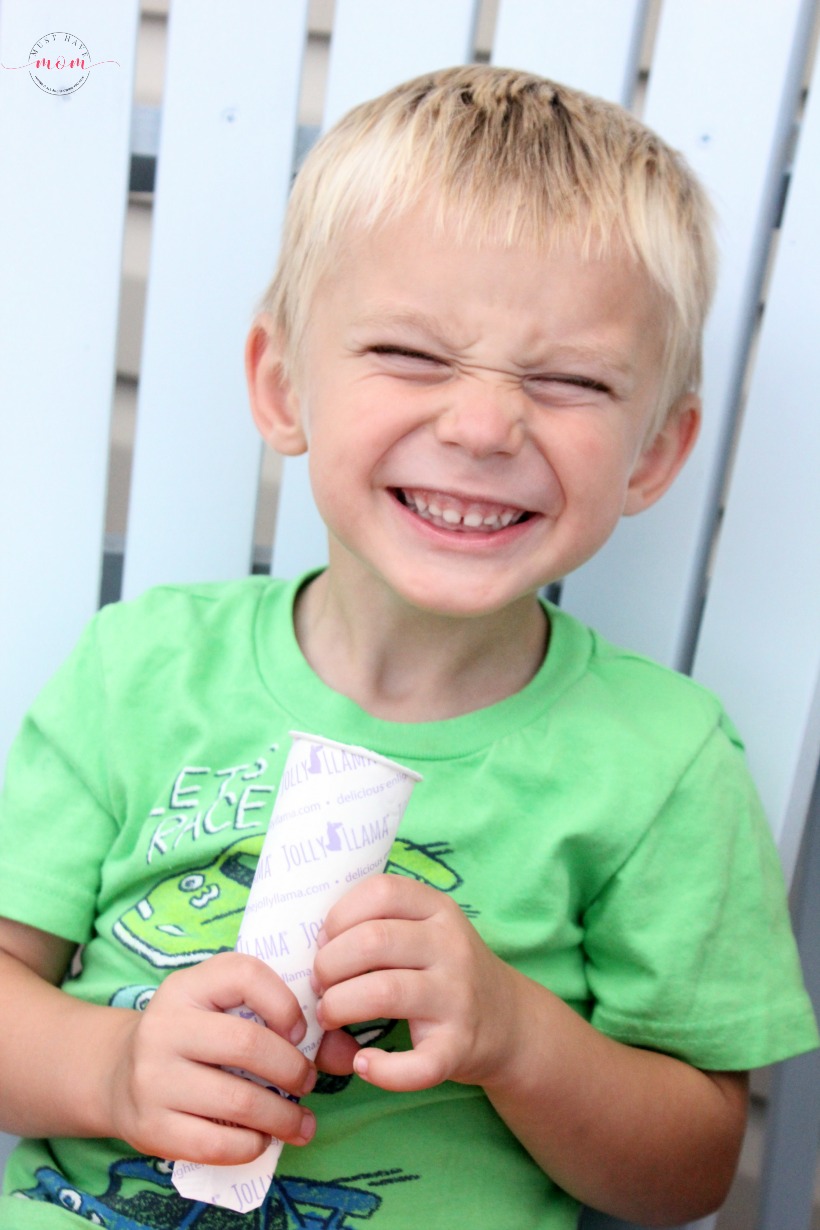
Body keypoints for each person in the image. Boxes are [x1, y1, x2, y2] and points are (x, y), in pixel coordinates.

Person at [0, 65, 816, 1230]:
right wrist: (112, 1071)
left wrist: (516, 1035)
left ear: (650, 453)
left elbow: (686, 1171)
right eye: (410, 356)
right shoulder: (142, 671)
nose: (482, 426)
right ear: (284, 387)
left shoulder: (659, 763)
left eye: (572, 380)